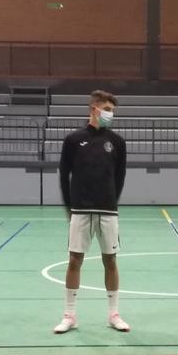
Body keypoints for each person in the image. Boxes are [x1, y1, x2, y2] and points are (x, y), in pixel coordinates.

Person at [54, 90, 129, 334]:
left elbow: (120, 177)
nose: (110, 115)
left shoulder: (117, 142)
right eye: (107, 109)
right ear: (94, 109)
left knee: (111, 261)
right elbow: (64, 175)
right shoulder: (73, 140)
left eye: (112, 111)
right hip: (80, 210)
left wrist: (111, 203)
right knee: (75, 260)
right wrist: (69, 207)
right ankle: (69, 315)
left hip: (108, 211)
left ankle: (114, 314)